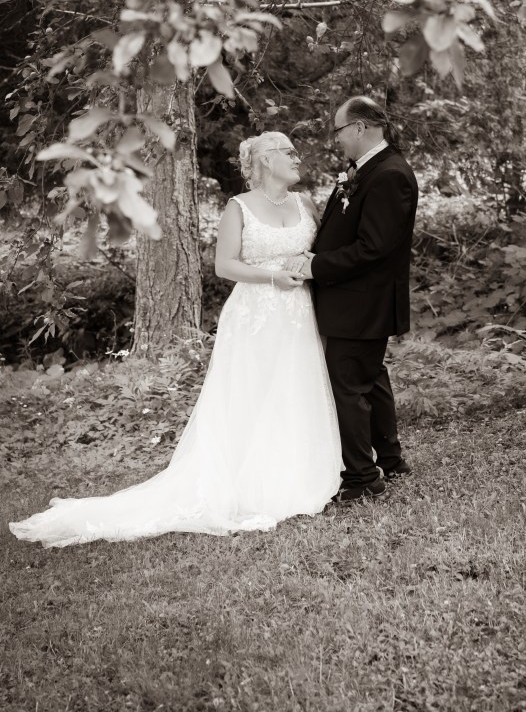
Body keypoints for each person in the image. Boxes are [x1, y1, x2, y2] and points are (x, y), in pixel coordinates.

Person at [9, 132, 342, 547]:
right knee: (251, 394)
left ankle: (296, 475)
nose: (298, 157)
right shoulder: (237, 208)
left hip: (300, 312)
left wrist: (307, 264)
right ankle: (247, 483)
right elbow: (225, 266)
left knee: (295, 389)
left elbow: (320, 251)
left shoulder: (305, 203)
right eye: (288, 151)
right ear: (264, 161)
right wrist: (274, 276)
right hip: (256, 313)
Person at [288, 96, 418, 503]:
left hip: (362, 300)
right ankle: (391, 460)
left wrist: (316, 266)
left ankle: (363, 478)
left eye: (340, 130)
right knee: (370, 379)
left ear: (360, 128)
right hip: (356, 299)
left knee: (348, 387)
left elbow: (373, 247)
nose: (338, 139)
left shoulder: (389, 175)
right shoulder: (368, 170)